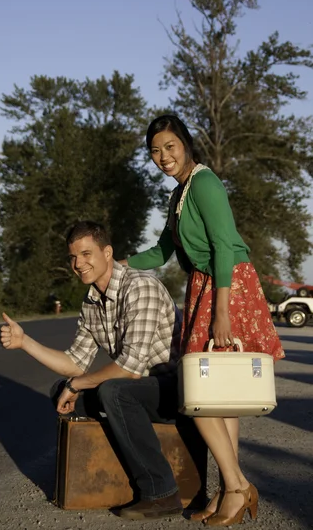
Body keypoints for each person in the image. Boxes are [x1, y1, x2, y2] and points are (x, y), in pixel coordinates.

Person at [119, 114, 285, 527]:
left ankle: (236, 486)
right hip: (203, 287)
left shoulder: (205, 183)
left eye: (169, 147)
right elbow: (160, 253)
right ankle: (229, 487)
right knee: (220, 398)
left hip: (226, 286)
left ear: (186, 145)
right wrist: (117, 264)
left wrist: (222, 312)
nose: (163, 157)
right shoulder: (178, 196)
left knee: (201, 393)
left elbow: (224, 246)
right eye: (155, 151)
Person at [0, 220, 186, 521]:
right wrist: (25, 343)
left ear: (107, 252)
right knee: (62, 389)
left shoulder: (140, 287)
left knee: (114, 391)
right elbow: (75, 362)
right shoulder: (91, 303)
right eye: (73, 257)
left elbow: (131, 366)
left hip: (170, 388)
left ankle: (162, 492)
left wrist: (79, 384)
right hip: (137, 388)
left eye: (86, 254)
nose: (78, 264)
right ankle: (109, 471)